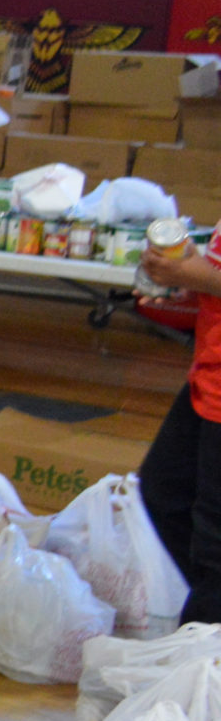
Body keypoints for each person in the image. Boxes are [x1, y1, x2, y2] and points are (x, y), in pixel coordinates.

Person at [137, 226, 221, 624]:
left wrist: (198, 276)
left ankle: (202, 659)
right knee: (164, 490)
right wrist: (187, 274)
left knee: (214, 539)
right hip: (208, 374)